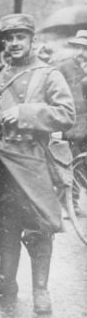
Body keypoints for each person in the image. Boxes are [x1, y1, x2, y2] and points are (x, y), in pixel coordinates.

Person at [0, 13, 75, 314]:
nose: (15, 43)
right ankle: (6, 282)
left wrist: (26, 113)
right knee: (6, 225)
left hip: (34, 162)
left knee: (40, 227)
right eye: (10, 38)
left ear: (32, 40)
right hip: (1, 163)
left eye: (21, 37)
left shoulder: (48, 75)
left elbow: (67, 114)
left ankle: (40, 289)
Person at [54, 29, 87, 217]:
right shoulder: (65, 67)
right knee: (70, 164)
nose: (82, 53)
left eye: (86, 48)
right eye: (79, 48)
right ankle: (69, 203)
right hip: (72, 125)